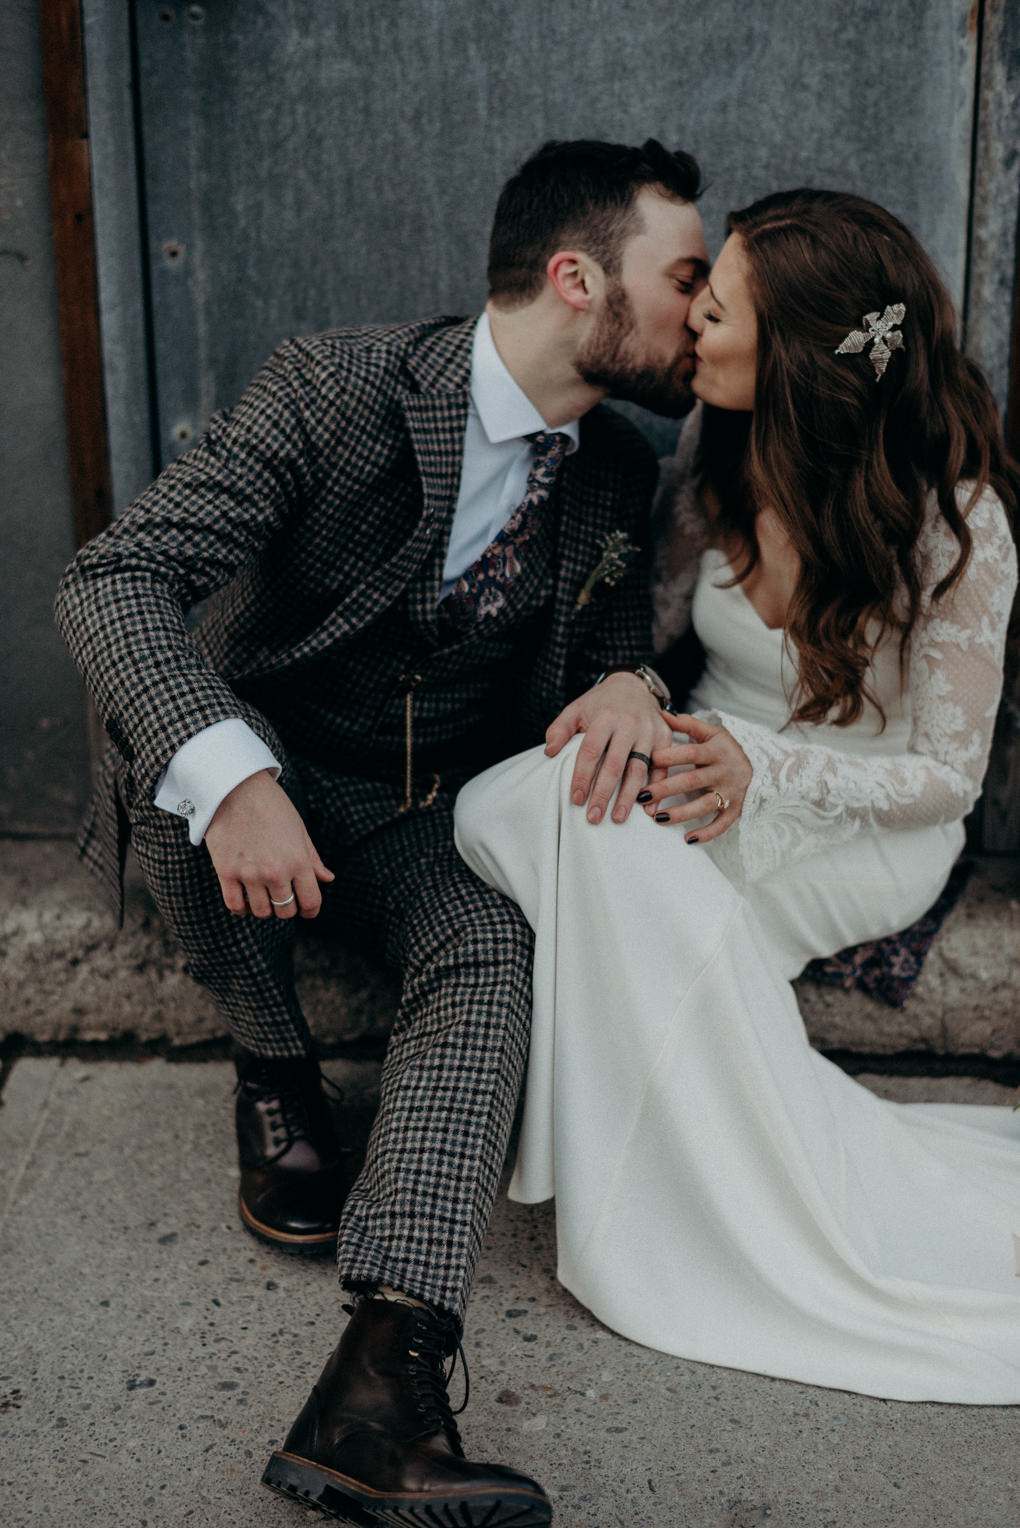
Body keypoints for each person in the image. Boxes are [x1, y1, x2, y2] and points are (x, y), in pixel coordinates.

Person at [56, 139, 710, 1523]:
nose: (703, 314)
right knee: (174, 750)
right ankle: (274, 1068)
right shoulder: (340, 386)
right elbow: (114, 578)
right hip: (277, 768)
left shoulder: (615, 470)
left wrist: (631, 676)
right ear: (577, 277)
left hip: (421, 810)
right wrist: (236, 782)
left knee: (492, 945)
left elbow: (606, 645)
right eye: (686, 278)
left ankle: (382, 1375)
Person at [454, 188, 1020, 1405]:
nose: (687, 330)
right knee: (525, 806)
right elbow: (653, 640)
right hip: (697, 761)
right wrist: (628, 695)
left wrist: (768, 771)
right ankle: (620, 1184)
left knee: (617, 882)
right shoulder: (715, 451)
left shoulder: (954, 516)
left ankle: (716, 1221)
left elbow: (946, 776)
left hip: (861, 816)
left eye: (716, 312)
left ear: (801, 357)